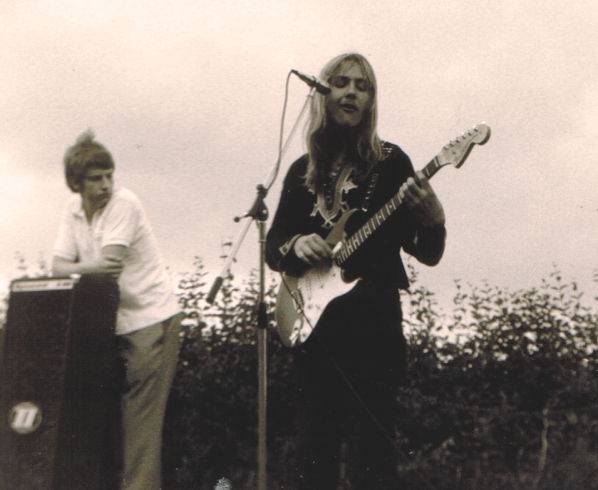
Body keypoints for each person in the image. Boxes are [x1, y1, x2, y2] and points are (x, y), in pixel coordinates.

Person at [266, 53, 446, 489]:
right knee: (313, 449)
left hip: (373, 322)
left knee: (372, 450)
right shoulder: (299, 171)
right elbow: (273, 247)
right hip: (313, 324)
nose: (350, 92)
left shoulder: (392, 164)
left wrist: (434, 219)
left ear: (371, 101)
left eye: (361, 86)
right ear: (324, 95)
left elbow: (426, 252)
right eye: (341, 83)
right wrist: (296, 244)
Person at [52, 131, 182, 490]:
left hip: (150, 320)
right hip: (113, 325)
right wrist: (83, 266)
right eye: (96, 179)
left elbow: (109, 267)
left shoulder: (125, 203)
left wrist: (80, 265)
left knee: (140, 424)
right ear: (76, 183)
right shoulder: (72, 210)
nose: (106, 185)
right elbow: (56, 266)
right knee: (104, 420)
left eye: (110, 175)